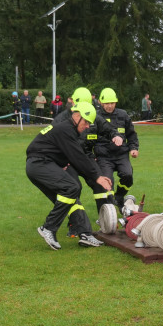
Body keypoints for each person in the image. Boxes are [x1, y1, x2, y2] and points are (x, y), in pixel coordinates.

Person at [25, 101, 111, 250]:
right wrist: (97, 176)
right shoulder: (66, 129)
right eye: (85, 122)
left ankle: (85, 234)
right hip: (39, 164)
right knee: (72, 187)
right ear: (76, 116)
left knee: (71, 195)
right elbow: (78, 157)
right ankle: (48, 228)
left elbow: (59, 150)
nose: (87, 126)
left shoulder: (68, 130)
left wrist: (59, 162)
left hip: (40, 164)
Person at [95, 87, 140, 210]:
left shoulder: (123, 115)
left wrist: (134, 148)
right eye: (107, 103)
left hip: (121, 154)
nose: (110, 106)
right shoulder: (96, 116)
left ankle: (119, 197)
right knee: (108, 182)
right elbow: (89, 138)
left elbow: (131, 134)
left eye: (112, 103)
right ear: (101, 102)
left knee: (128, 176)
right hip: (104, 156)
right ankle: (109, 210)